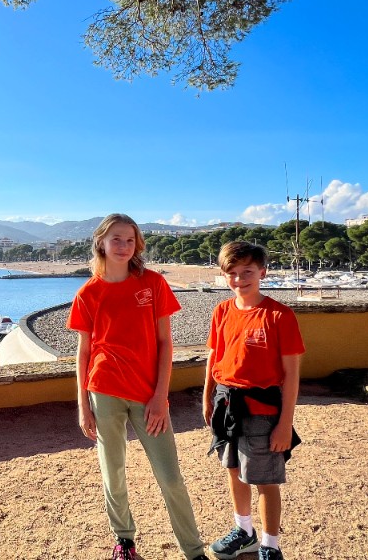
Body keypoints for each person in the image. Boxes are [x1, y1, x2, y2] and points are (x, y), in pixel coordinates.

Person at [66, 213, 208, 560]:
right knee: (112, 473)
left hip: (148, 394)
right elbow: (84, 353)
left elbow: (165, 343)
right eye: (116, 239)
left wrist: (161, 397)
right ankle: (124, 541)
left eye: (130, 240)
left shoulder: (153, 284)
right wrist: (84, 405)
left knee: (170, 477)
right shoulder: (88, 292)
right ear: (101, 241)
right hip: (103, 391)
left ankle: (193, 551)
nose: (123, 246)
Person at [203, 241, 305, 560]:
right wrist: (207, 397)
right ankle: (244, 531)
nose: (239, 279)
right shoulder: (221, 311)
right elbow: (212, 357)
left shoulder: (279, 315)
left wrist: (284, 423)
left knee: (264, 480)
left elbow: (291, 374)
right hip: (225, 403)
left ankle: (270, 546)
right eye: (231, 273)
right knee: (233, 470)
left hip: (262, 410)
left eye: (246, 271)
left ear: (262, 272)